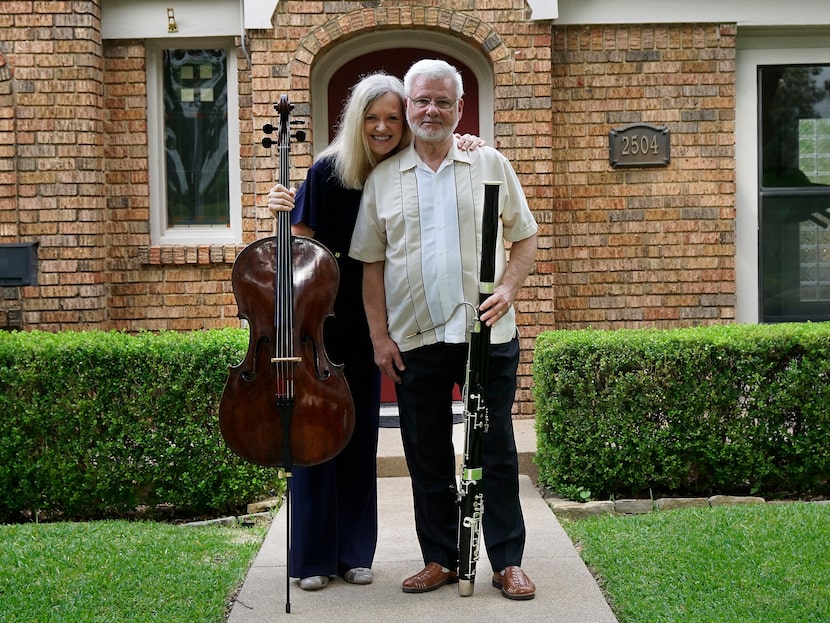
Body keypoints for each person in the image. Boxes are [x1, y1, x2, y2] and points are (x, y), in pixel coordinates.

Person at [266, 72, 484, 592]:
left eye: (391, 117)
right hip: (322, 320)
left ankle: (353, 551)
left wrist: (472, 140)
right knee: (317, 437)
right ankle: (312, 557)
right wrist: (277, 213)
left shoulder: (408, 169)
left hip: (376, 318)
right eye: (372, 118)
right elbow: (295, 254)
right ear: (356, 121)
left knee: (360, 436)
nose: (382, 127)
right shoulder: (325, 172)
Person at [348, 59, 539, 601]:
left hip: (487, 336)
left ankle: (506, 562)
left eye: (443, 102)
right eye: (421, 101)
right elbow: (372, 264)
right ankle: (441, 558)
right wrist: (379, 337)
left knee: (495, 449)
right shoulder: (384, 178)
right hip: (415, 340)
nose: (431, 110)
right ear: (408, 108)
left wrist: (509, 289)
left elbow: (524, 238)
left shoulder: (490, 165)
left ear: (459, 109)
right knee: (425, 451)